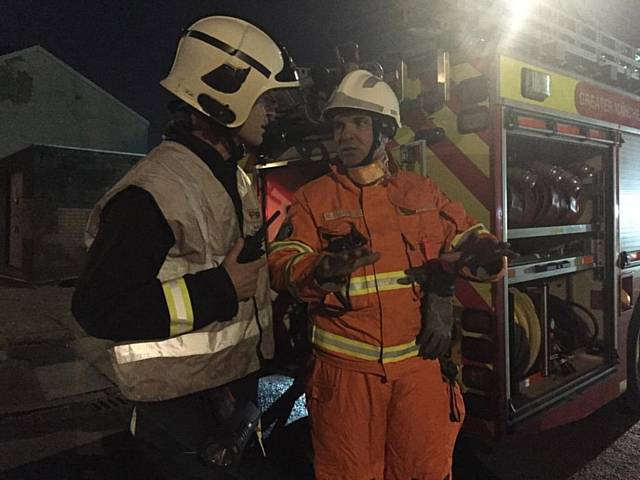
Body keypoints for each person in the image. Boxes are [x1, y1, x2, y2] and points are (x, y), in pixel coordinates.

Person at [71, 16, 299, 480]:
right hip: (176, 414)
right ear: (228, 91)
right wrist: (217, 289)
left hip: (228, 396)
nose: (271, 112)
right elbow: (98, 308)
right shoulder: (154, 191)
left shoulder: (231, 175)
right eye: (265, 98)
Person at [268, 69, 510, 480]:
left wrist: (481, 255)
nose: (345, 134)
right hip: (345, 378)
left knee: (423, 472)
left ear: (384, 132)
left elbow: (470, 237)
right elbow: (283, 260)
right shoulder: (313, 199)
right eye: (339, 124)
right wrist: (318, 269)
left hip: (420, 371)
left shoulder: (422, 192)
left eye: (359, 123)